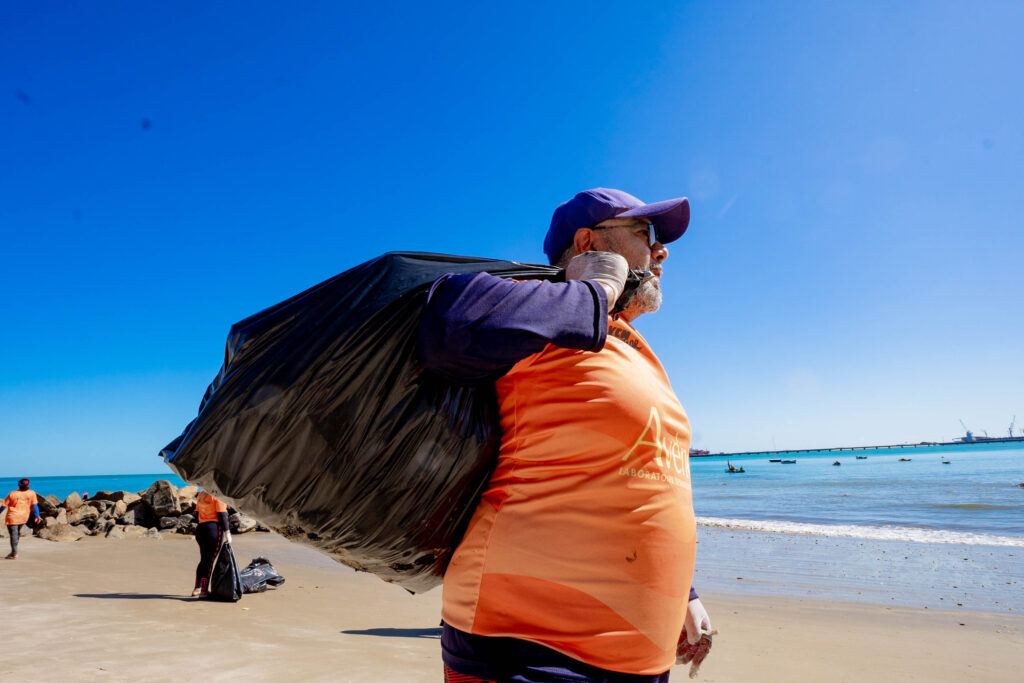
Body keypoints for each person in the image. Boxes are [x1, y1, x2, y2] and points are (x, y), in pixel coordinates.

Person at [419, 188, 713, 682]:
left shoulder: (632, 347)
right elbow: (447, 325)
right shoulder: (544, 313)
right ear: (587, 242)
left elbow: (636, 480)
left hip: (641, 655)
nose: (661, 251)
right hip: (533, 644)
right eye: (646, 233)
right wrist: (591, 293)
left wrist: (684, 594)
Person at [192, 490, 232, 597]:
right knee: (209, 561)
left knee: (204, 560)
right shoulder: (218, 495)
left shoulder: (201, 495)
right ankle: (204, 591)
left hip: (200, 530)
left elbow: (197, 513)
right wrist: (227, 532)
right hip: (213, 530)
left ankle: (197, 588)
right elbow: (222, 515)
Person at [1, 478, 43, 559]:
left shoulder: (12, 494)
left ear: (19, 485)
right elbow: (35, 506)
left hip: (12, 517)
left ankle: (14, 553)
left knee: (13, 535)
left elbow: (3, 506)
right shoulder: (31, 493)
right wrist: (37, 516)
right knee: (16, 534)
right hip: (24, 517)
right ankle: (14, 551)